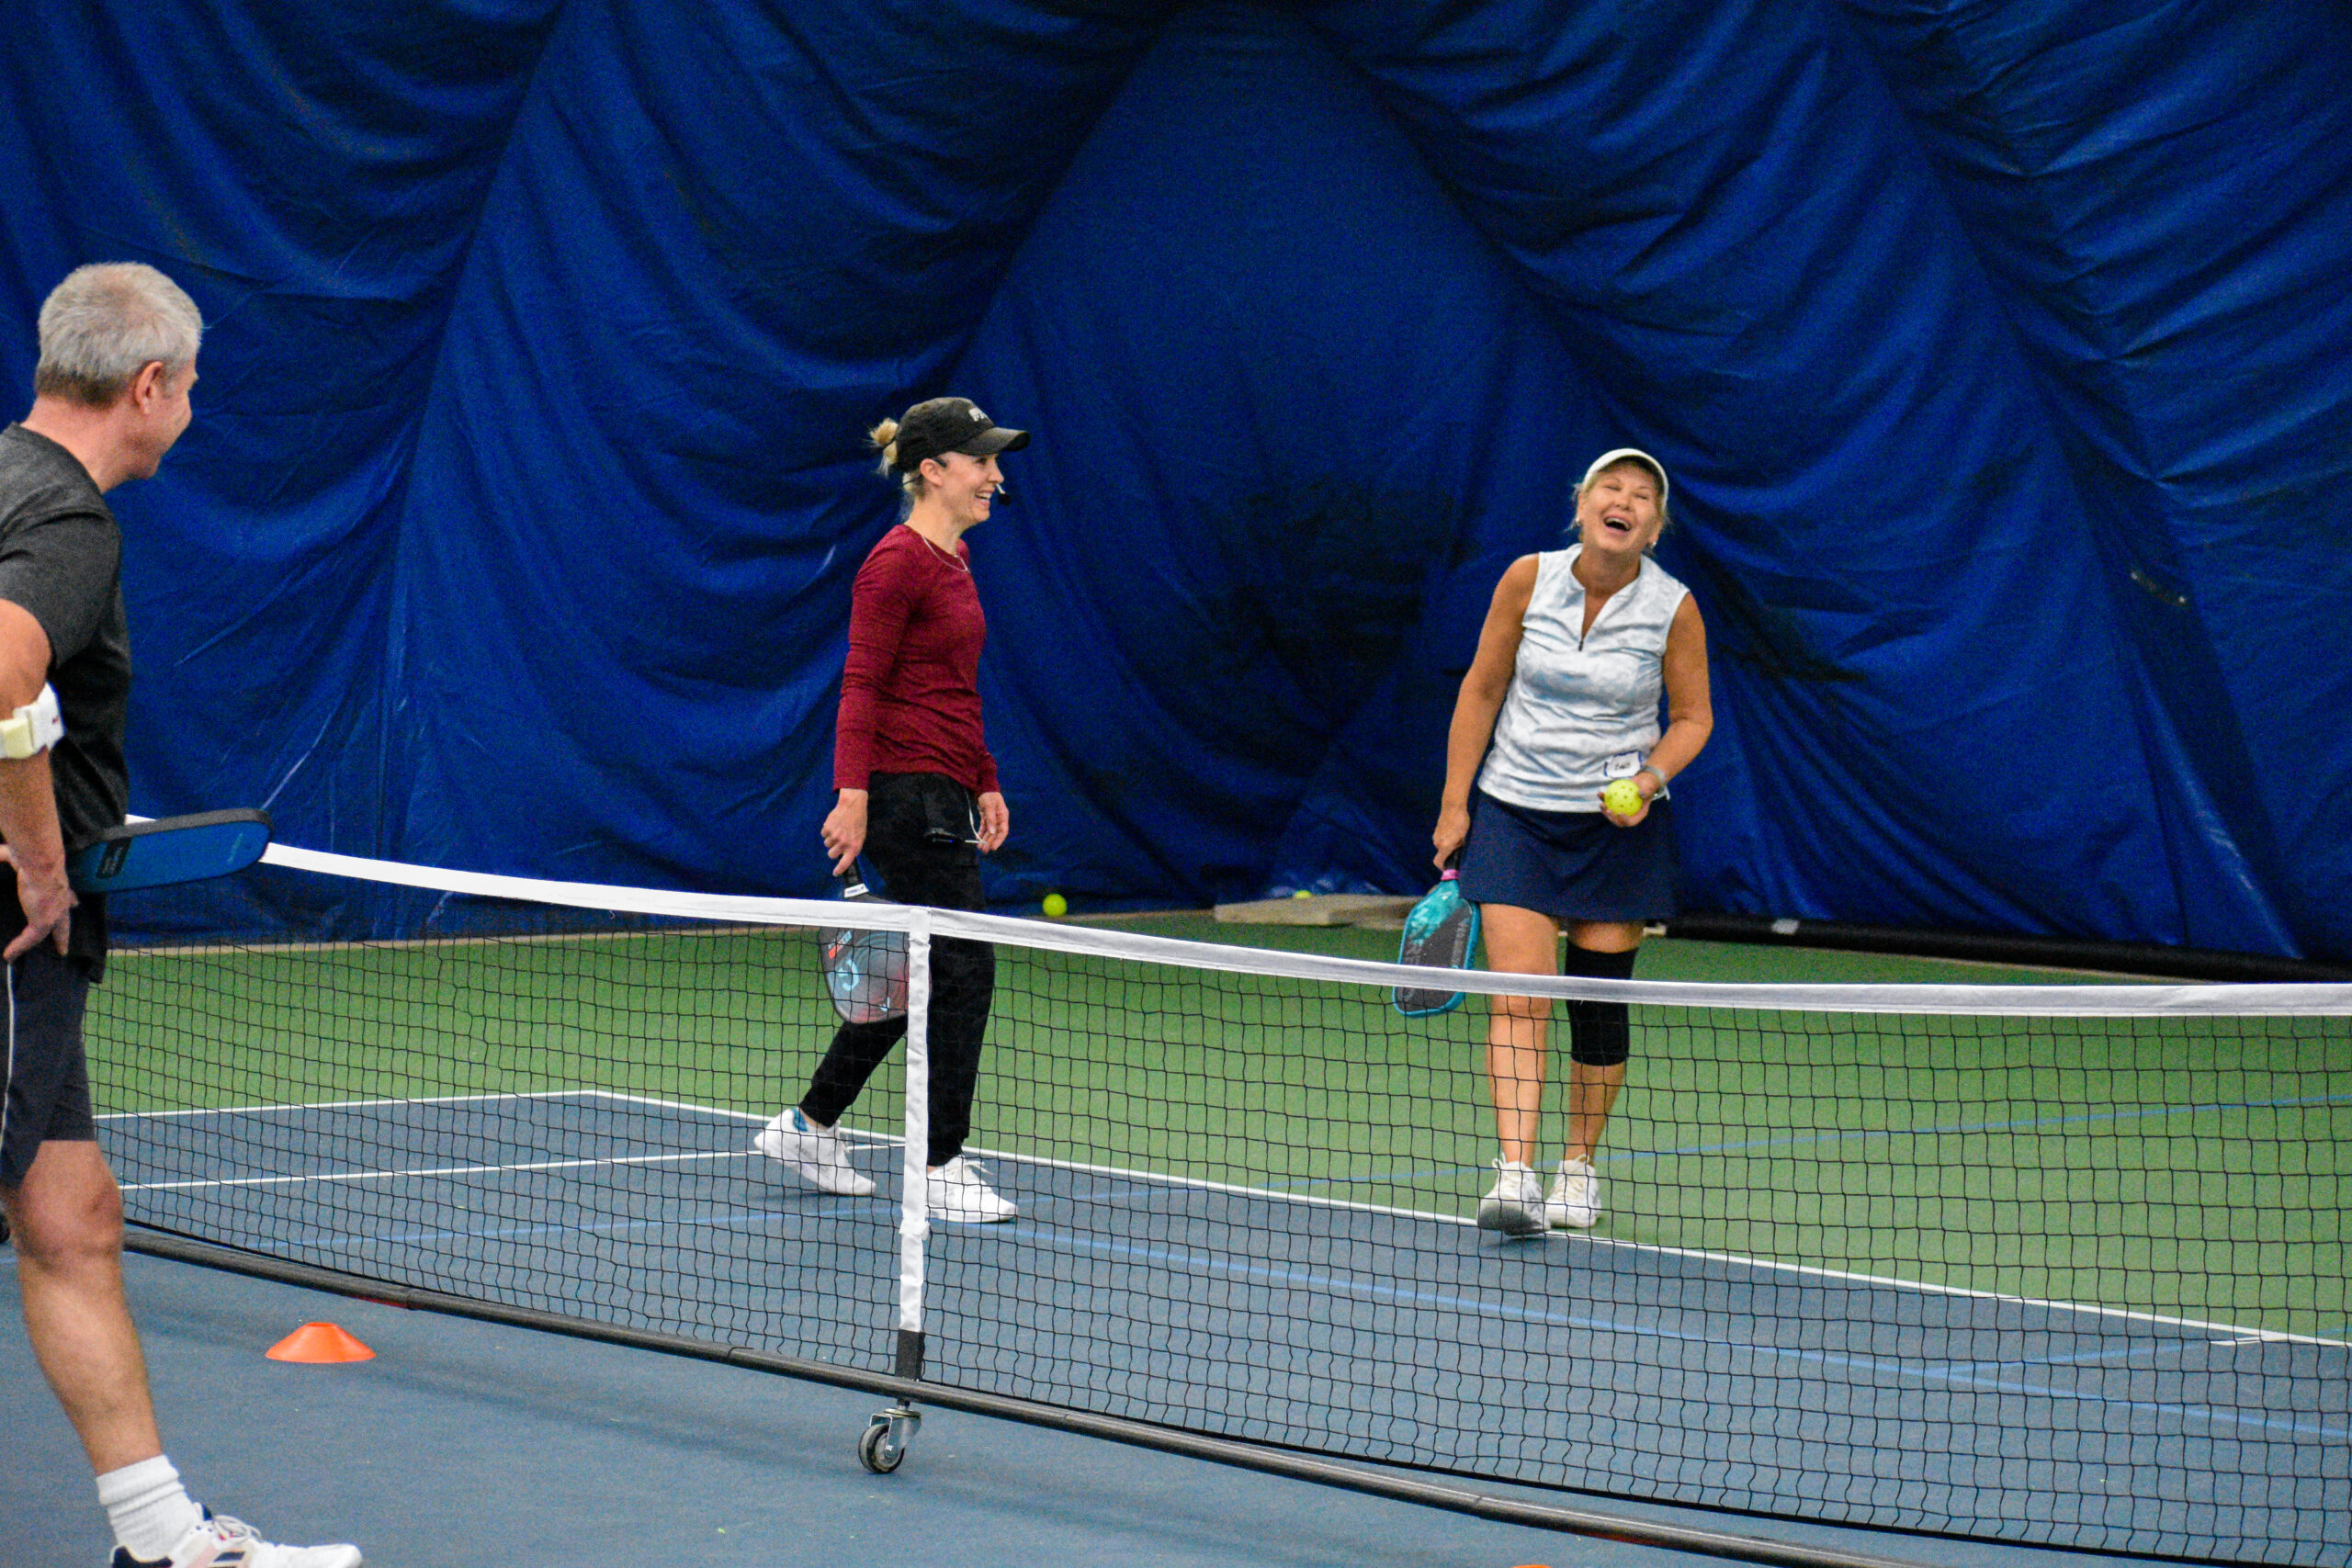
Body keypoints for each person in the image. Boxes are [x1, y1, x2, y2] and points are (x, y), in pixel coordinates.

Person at [1, 265, 362, 1566]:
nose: (193, 408)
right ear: (148, 384)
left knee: (70, 1213)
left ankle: (165, 1542)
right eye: (192, 385)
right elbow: (0, 672)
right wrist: (40, 860)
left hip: (36, 961)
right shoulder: (70, 523)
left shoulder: (3, 476)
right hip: (12, 930)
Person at [755, 396, 1026, 1224]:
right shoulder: (895, 563)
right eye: (979, 461)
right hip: (904, 792)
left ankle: (810, 1124)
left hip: (943, 785)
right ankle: (940, 1162)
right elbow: (863, 682)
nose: (995, 474)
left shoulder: (954, 564)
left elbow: (954, 687)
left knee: (914, 977)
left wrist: (985, 777)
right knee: (964, 971)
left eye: (994, 460)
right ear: (932, 472)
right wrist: (854, 795)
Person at [1432, 447, 1713, 1236]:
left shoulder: (1673, 607)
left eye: (1642, 496)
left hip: (1617, 826)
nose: (1624, 500)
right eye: (1610, 487)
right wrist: (1456, 805)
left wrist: (1649, 780)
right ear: (1582, 504)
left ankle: (1577, 1170)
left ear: (1654, 528)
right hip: (1517, 811)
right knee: (1520, 998)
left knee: (1595, 1002)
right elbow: (1482, 686)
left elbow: (1694, 717)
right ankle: (1514, 1174)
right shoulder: (1528, 578)